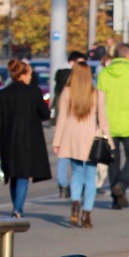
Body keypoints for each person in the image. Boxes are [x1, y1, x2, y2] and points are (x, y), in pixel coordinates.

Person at [53, 61, 111, 229]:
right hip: (91, 138)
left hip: (72, 138)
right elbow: (103, 121)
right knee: (90, 177)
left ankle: (75, 203)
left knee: (76, 173)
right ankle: (87, 213)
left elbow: (61, 118)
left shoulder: (66, 92)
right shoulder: (98, 94)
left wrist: (57, 141)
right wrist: (110, 141)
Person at [0, 58, 51, 218]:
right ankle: (18, 209)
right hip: (28, 139)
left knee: (13, 173)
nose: (31, 77)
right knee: (23, 174)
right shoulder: (33, 92)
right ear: (22, 75)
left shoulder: (3, 94)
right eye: (29, 74)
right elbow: (45, 114)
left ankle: (16, 207)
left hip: (8, 139)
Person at [96, 42, 129, 209]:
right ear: (127, 55)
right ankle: (121, 184)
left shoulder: (104, 73)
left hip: (109, 124)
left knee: (113, 161)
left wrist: (98, 120)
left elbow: (98, 97)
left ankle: (115, 197)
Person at [52, 50, 87, 197]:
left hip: (63, 116)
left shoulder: (60, 74)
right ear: (73, 62)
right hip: (76, 118)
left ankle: (62, 184)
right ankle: (77, 186)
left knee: (63, 153)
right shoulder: (73, 76)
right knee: (79, 155)